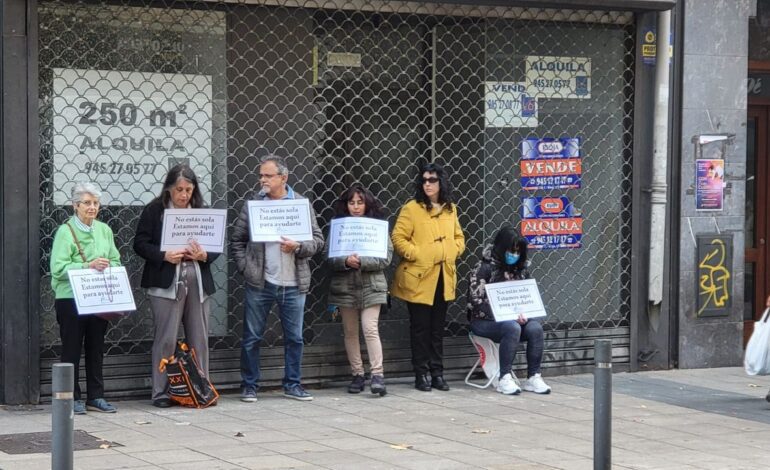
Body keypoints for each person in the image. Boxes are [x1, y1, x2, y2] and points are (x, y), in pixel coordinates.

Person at [231, 155, 324, 402]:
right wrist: (246, 268)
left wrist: (298, 246)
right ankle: (249, 385)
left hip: (294, 282)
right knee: (252, 337)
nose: (262, 180)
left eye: (268, 175)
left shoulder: (301, 204)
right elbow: (238, 240)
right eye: (261, 175)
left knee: (295, 338)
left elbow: (317, 240)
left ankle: (292, 384)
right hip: (261, 282)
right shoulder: (253, 205)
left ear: (284, 178)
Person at [133, 165, 220, 408]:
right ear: (169, 189)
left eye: (188, 190)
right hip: (166, 282)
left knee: (199, 338)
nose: (184, 195)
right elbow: (140, 243)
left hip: (198, 281)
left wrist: (204, 255)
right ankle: (161, 392)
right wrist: (164, 255)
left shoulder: (201, 211)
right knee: (166, 339)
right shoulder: (155, 210)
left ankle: (201, 389)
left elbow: (215, 245)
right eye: (179, 190)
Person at [391, 162, 465, 392]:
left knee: (437, 329)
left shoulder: (450, 209)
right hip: (419, 276)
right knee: (420, 328)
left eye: (432, 180)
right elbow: (398, 237)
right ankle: (420, 373)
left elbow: (459, 237)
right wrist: (417, 254)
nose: (427, 184)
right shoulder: (412, 208)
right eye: (424, 180)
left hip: (444, 276)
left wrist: (452, 250)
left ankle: (437, 373)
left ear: (441, 182)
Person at [50, 182, 121, 414]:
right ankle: (71, 397)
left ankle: (96, 396)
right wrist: (87, 265)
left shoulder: (104, 230)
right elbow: (57, 269)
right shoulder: (65, 231)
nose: (92, 207)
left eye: (96, 203)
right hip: (70, 298)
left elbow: (116, 259)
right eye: (87, 203)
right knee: (71, 348)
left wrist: (109, 265)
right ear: (75, 206)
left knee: (96, 347)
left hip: (97, 296)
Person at [467, 225, 551, 396]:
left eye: (518, 251)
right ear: (501, 248)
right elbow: (475, 302)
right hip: (483, 321)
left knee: (535, 328)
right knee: (511, 327)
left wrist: (526, 315)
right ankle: (504, 377)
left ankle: (533, 376)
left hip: (515, 320)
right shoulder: (483, 268)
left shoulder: (521, 270)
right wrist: (505, 315)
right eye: (511, 250)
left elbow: (528, 298)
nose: (514, 255)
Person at [327, 184, 393, 396]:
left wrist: (362, 261)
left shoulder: (377, 227)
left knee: (370, 328)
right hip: (345, 287)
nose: (355, 207)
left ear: (367, 204)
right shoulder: (339, 227)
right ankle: (357, 374)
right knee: (350, 331)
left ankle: (377, 375)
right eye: (351, 202)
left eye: (360, 202)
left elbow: (386, 257)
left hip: (372, 285)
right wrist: (345, 261)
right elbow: (329, 256)